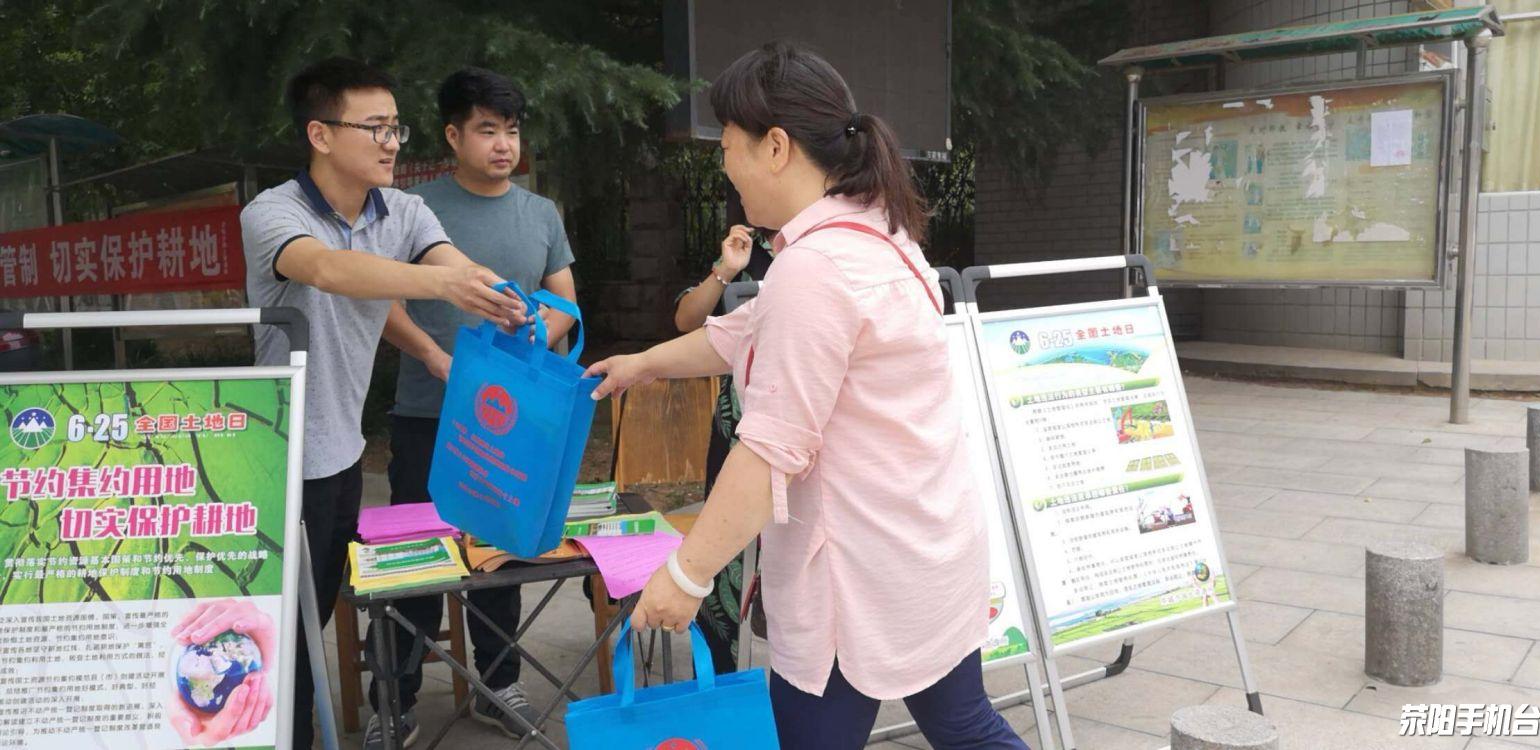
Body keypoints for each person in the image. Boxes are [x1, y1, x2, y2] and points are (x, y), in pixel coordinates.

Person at [586, 42, 1026, 749]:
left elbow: (770, 450)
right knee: (966, 727)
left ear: (775, 147)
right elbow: (743, 333)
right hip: (925, 549)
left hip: (855, 574)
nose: (724, 167)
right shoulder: (879, 235)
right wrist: (641, 365)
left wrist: (687, 574)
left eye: (727, 147)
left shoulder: (814, 269)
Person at [240, 57, 525, 750]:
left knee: (314, 616)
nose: (392, 142)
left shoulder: (403, 211)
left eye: (396, 127)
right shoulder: (273, 213)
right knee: (283, 627)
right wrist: (445, 288)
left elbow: (447, 262)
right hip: (280, 455)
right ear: (320, 134)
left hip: (342, 452)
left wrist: (483, 295)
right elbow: (330, 270)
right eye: (374, 128)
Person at [367, 66, 577, 747]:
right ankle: (392, 701)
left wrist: (527, 347)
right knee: (415, 559)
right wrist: (436, 356)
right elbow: (382, 302)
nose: (503, 145)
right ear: (453, 136)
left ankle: (498, 683)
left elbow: (564, 304)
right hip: (427, 414)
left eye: (511, 131)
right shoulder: (411, 210)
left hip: (510, 423)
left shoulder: (540, 213)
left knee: (499, 555)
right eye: (487, 130)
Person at [670, 221, 775, 674]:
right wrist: (726, 270)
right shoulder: (747, 246)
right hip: (739, 426)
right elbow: (686, 322)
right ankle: (717, 684)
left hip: (806, 428)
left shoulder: (828, 246)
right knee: (725, 556)